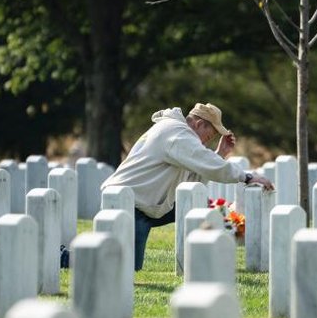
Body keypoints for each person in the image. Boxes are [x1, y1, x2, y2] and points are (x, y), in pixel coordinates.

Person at [101, 102, 274, 270]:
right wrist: (247, 177)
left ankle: (199, 262)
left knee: (196, 207)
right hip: (127, 203)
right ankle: (73, 257)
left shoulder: (176, 134)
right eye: (209, 136)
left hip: (143, 205)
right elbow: (204, 160)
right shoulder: (177, 133)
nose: (207, 141)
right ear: (199, 124)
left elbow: (192, 185)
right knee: (118, 264)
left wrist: (220, 154)